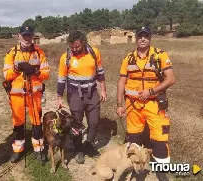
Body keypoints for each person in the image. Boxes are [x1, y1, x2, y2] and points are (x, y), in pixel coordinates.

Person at [116, 26, 175, 181]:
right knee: (134, 139)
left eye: (146, 36)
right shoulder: (128, 58)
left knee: (160, 139)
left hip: (154, 103)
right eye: (140, 36)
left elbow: (171, 79)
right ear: (136, 38)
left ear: (150, 38)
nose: (143, 38)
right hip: (133, 106)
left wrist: (151, 91)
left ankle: (161, 172)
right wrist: (119, 104)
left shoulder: (160, 55)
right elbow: (121, 81)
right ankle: (136, 167)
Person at [57, 30, 107, 164]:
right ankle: (79, 149)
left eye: (77, 47)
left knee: (94, 122)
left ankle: (89, 145)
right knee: (76, 124)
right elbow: (61, 79)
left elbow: (100, 73)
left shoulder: (94, 52)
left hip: (92, 93)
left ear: (83, 42)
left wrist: (103, 90)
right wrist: (60, 98)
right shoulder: (66, 57)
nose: (74, 49)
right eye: (71, 47)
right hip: (75, 95)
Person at [2, 25, 50, 163]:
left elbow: (46, 74)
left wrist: (35, 72)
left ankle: (39, 149)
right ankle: (18, 150)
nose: (27, 38)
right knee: (18, 123)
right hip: (17, 95)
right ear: (19, 36)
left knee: (36, 122)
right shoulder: (12, 53)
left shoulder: (39, 52)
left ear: (32, 36)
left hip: (35, 94)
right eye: (24, 35)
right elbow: (6, 74)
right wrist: (17, 69)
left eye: (29, 35)